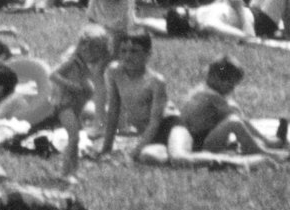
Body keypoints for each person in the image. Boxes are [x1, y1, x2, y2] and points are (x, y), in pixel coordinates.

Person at [168, 54, 289, 164]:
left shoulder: (203, 90)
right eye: (230, 84)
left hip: (201, 138)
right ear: (215, 78)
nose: (232, 89)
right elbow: (236, 115)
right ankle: (260, 150)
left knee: (234, 119)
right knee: (234, 121)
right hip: (199, 145)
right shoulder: (210, 96)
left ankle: (264, 143)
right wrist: (262, 138)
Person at [98, 28, 177, 164]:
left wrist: (133, 154)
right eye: (123, 51)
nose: (127, 56)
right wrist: (106, 148)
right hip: (146, 134)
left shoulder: (155, 81)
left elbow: (155, 123)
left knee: (151, 156)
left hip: (169, 129)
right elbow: (113, 111)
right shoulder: (115, 72)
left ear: (148, 54)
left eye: (134, 51)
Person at [50, 25, 112, 182]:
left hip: (75, 104)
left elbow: (89, 80)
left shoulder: (85, 63)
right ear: (84, 46)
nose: (95, 55)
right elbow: (53, 75)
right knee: (74, 137)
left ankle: (74, 171)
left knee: (76, 138)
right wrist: (73, 86)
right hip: (63, 103)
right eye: (93, 50)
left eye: (99, 51)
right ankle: (65, 173)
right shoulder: (72, 60)